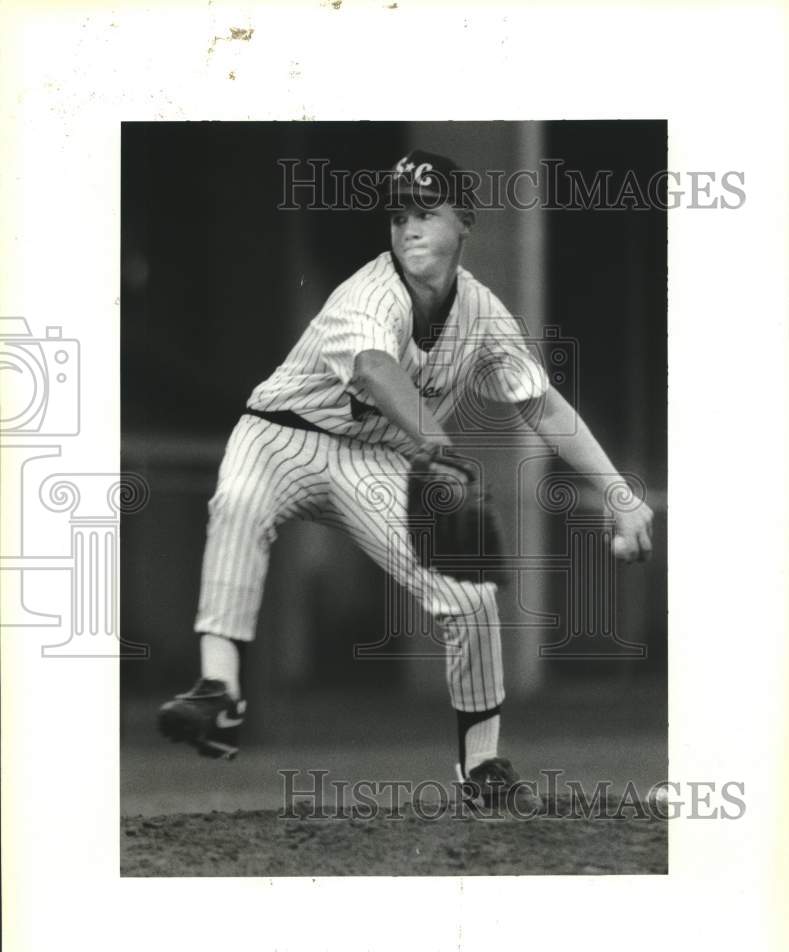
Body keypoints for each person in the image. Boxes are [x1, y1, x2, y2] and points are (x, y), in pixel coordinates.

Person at [158, 150, 653, 804]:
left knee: (470, 597)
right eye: (398, 215)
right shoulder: (369, 292)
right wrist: (440, 447)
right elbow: (371, 368)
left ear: (465, 222)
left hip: (372, 460)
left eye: (426, 211)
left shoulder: (481, 313)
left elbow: (539, 402)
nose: (409, 228)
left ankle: (481, 771)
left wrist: (619, 494)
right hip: (279, 433)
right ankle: (216, 691)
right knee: (239, 503)